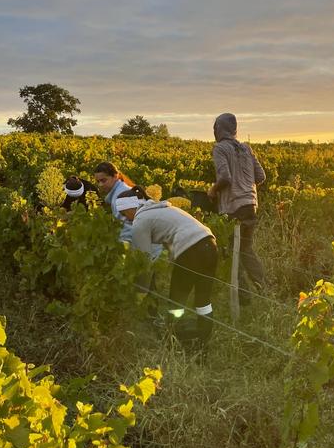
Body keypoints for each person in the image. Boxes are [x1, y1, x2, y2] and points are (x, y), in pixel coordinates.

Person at [116, 187, 219, 349]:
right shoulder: (164, 208)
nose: (125, 219)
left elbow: (144, 262)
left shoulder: (140, 221)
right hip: (210, 244)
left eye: (123, 213)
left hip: (190, 250)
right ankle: (203, 345)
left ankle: (173, 341)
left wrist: (140, 293)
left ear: (130, 208)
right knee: (203, 300)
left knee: (177, 301)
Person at [207, 113, 266, 301]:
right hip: (250, 204)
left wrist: (212, 190)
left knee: (232, 252)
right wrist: (246, 185)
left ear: (219, 129)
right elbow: (261, 177)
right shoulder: (246, 148)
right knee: (246, 249)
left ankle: (243, 298)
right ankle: (263, 288)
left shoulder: (220, 148)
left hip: (234, 207)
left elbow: (224, 177)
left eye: (215, 128)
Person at [95, 162, 162, 258]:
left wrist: (122, 253)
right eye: (98, 182)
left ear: (115, 176)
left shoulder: (120, 198)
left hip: (150, 252)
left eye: (103, 180)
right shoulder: (122, 190)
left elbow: (128, 230)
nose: (100, 185)